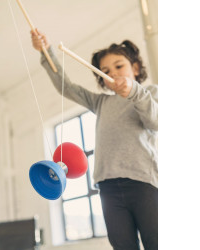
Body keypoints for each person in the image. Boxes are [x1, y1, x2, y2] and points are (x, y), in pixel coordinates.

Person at [31, 29, 158, 250]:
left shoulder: (148, 93)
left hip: (144, 183)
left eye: (119, 66)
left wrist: (135, 91)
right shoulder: (101, 102)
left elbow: (156, 122)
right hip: (107, 187)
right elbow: (67, 87)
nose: (113, 73)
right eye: (105, 71)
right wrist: (46, 50)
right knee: (122, 245)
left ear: (135, 69)